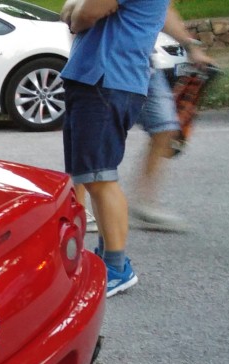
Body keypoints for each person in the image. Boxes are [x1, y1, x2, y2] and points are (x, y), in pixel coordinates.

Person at [59, 0, 170, 298]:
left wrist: (79, 13)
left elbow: (84, 12)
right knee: (93, 176)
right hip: (100, 79)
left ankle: (117, 268)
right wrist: (79, 12)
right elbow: (73, 10)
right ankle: (109, 259)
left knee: (99, 178)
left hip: (105, 80)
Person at [128, 6, 213, 232]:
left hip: (144, 60)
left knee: (165, 127)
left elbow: (162, 7)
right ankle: (81, 207)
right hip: (111, 59)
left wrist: (191, 46)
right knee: (98, 134)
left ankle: (145, 204)